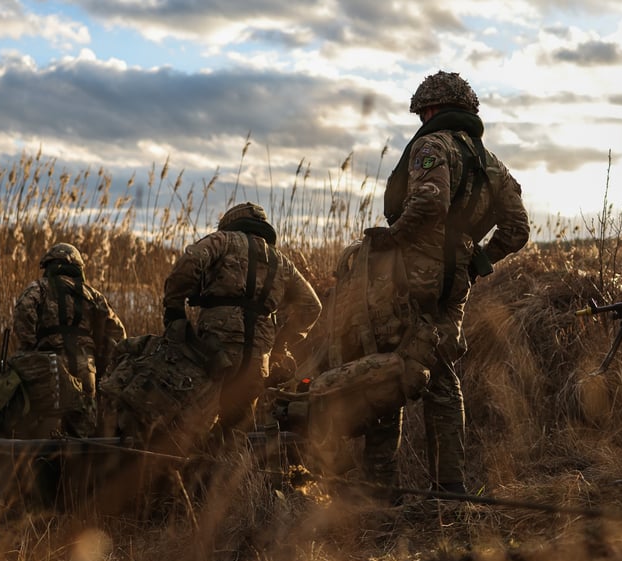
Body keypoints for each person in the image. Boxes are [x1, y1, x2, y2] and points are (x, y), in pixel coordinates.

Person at [363, 70, 530, 495]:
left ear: (432, 110)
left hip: (412, 273)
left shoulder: (432, 145)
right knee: (439, 371)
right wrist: (480, 261)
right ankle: (450, 486)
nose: (422, 120)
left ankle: (379, 487)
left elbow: (429, 200)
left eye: (423, 113)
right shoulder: (492, 163)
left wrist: (392, 237)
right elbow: (518, 228)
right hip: (457, 278)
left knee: (388, 365)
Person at [162, 202, 322, 440]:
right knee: (237, 432)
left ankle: (196, 472)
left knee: (196, 425)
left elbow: (190, 261)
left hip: (215, 348)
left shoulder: (222, 240)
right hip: (259, 357)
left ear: (230, 222)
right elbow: (312, 306)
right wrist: (281, 345)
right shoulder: (281, 261)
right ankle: (233, 474)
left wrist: (174, 309)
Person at [12, 243, 126, 437]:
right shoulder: (92, 294)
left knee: (46, 424)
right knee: (84, 429)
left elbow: (23, 313)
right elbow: (118, 333)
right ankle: (82, 464)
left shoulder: (39, 288)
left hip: (49, 366)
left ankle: (49, 463)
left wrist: (29, 347)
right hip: (85, 367)